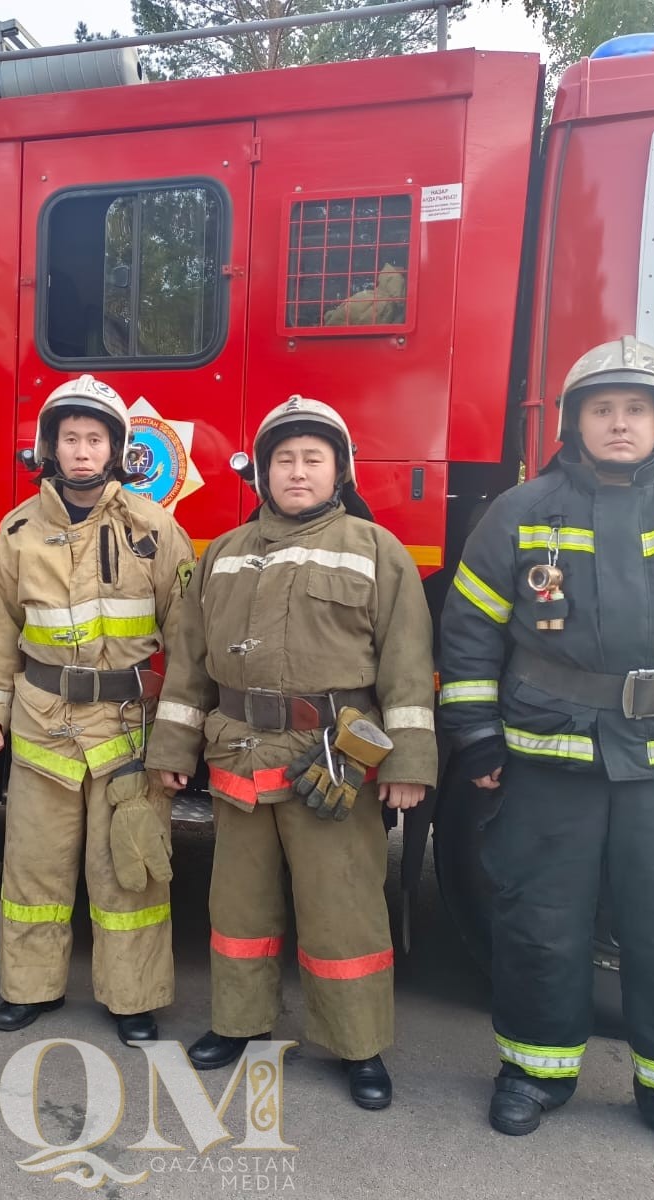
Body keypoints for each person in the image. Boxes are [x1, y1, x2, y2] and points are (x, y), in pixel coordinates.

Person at [437, 337, 654, 1174]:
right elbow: (467, 633)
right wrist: (477, 737)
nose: (619, 423)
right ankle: (533, 1074)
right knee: (538, 927)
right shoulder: (519, 512)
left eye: (636, 409)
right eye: (602, 409)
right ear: (572, 422)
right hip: (547, 762)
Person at [146, 396, 438, 1111]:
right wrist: (173, 746)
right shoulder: (221, 555)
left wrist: (404, 763)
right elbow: (188, 666)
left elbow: (406, 668)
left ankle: (357, 1044)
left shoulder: (377, 551)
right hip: (239, 756)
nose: (297, 471)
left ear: (338, 470)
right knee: (237, 906)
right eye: (283, 459)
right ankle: (237, 1025)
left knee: (342, 909)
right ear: (263, 474)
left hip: (331, 762)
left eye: (312, 458)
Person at [0, 375, 196, 1046]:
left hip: (125, 730)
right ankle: (28, 988)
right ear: (48, 446)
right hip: (41, 723)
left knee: (129, 865)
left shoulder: (154, 530)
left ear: (116, 449)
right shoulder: (17, 532)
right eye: (68, 438)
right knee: (33, 865)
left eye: (93, 438)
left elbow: (188, 645)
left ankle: (134, 999)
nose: (79, 451)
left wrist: (179, 741)